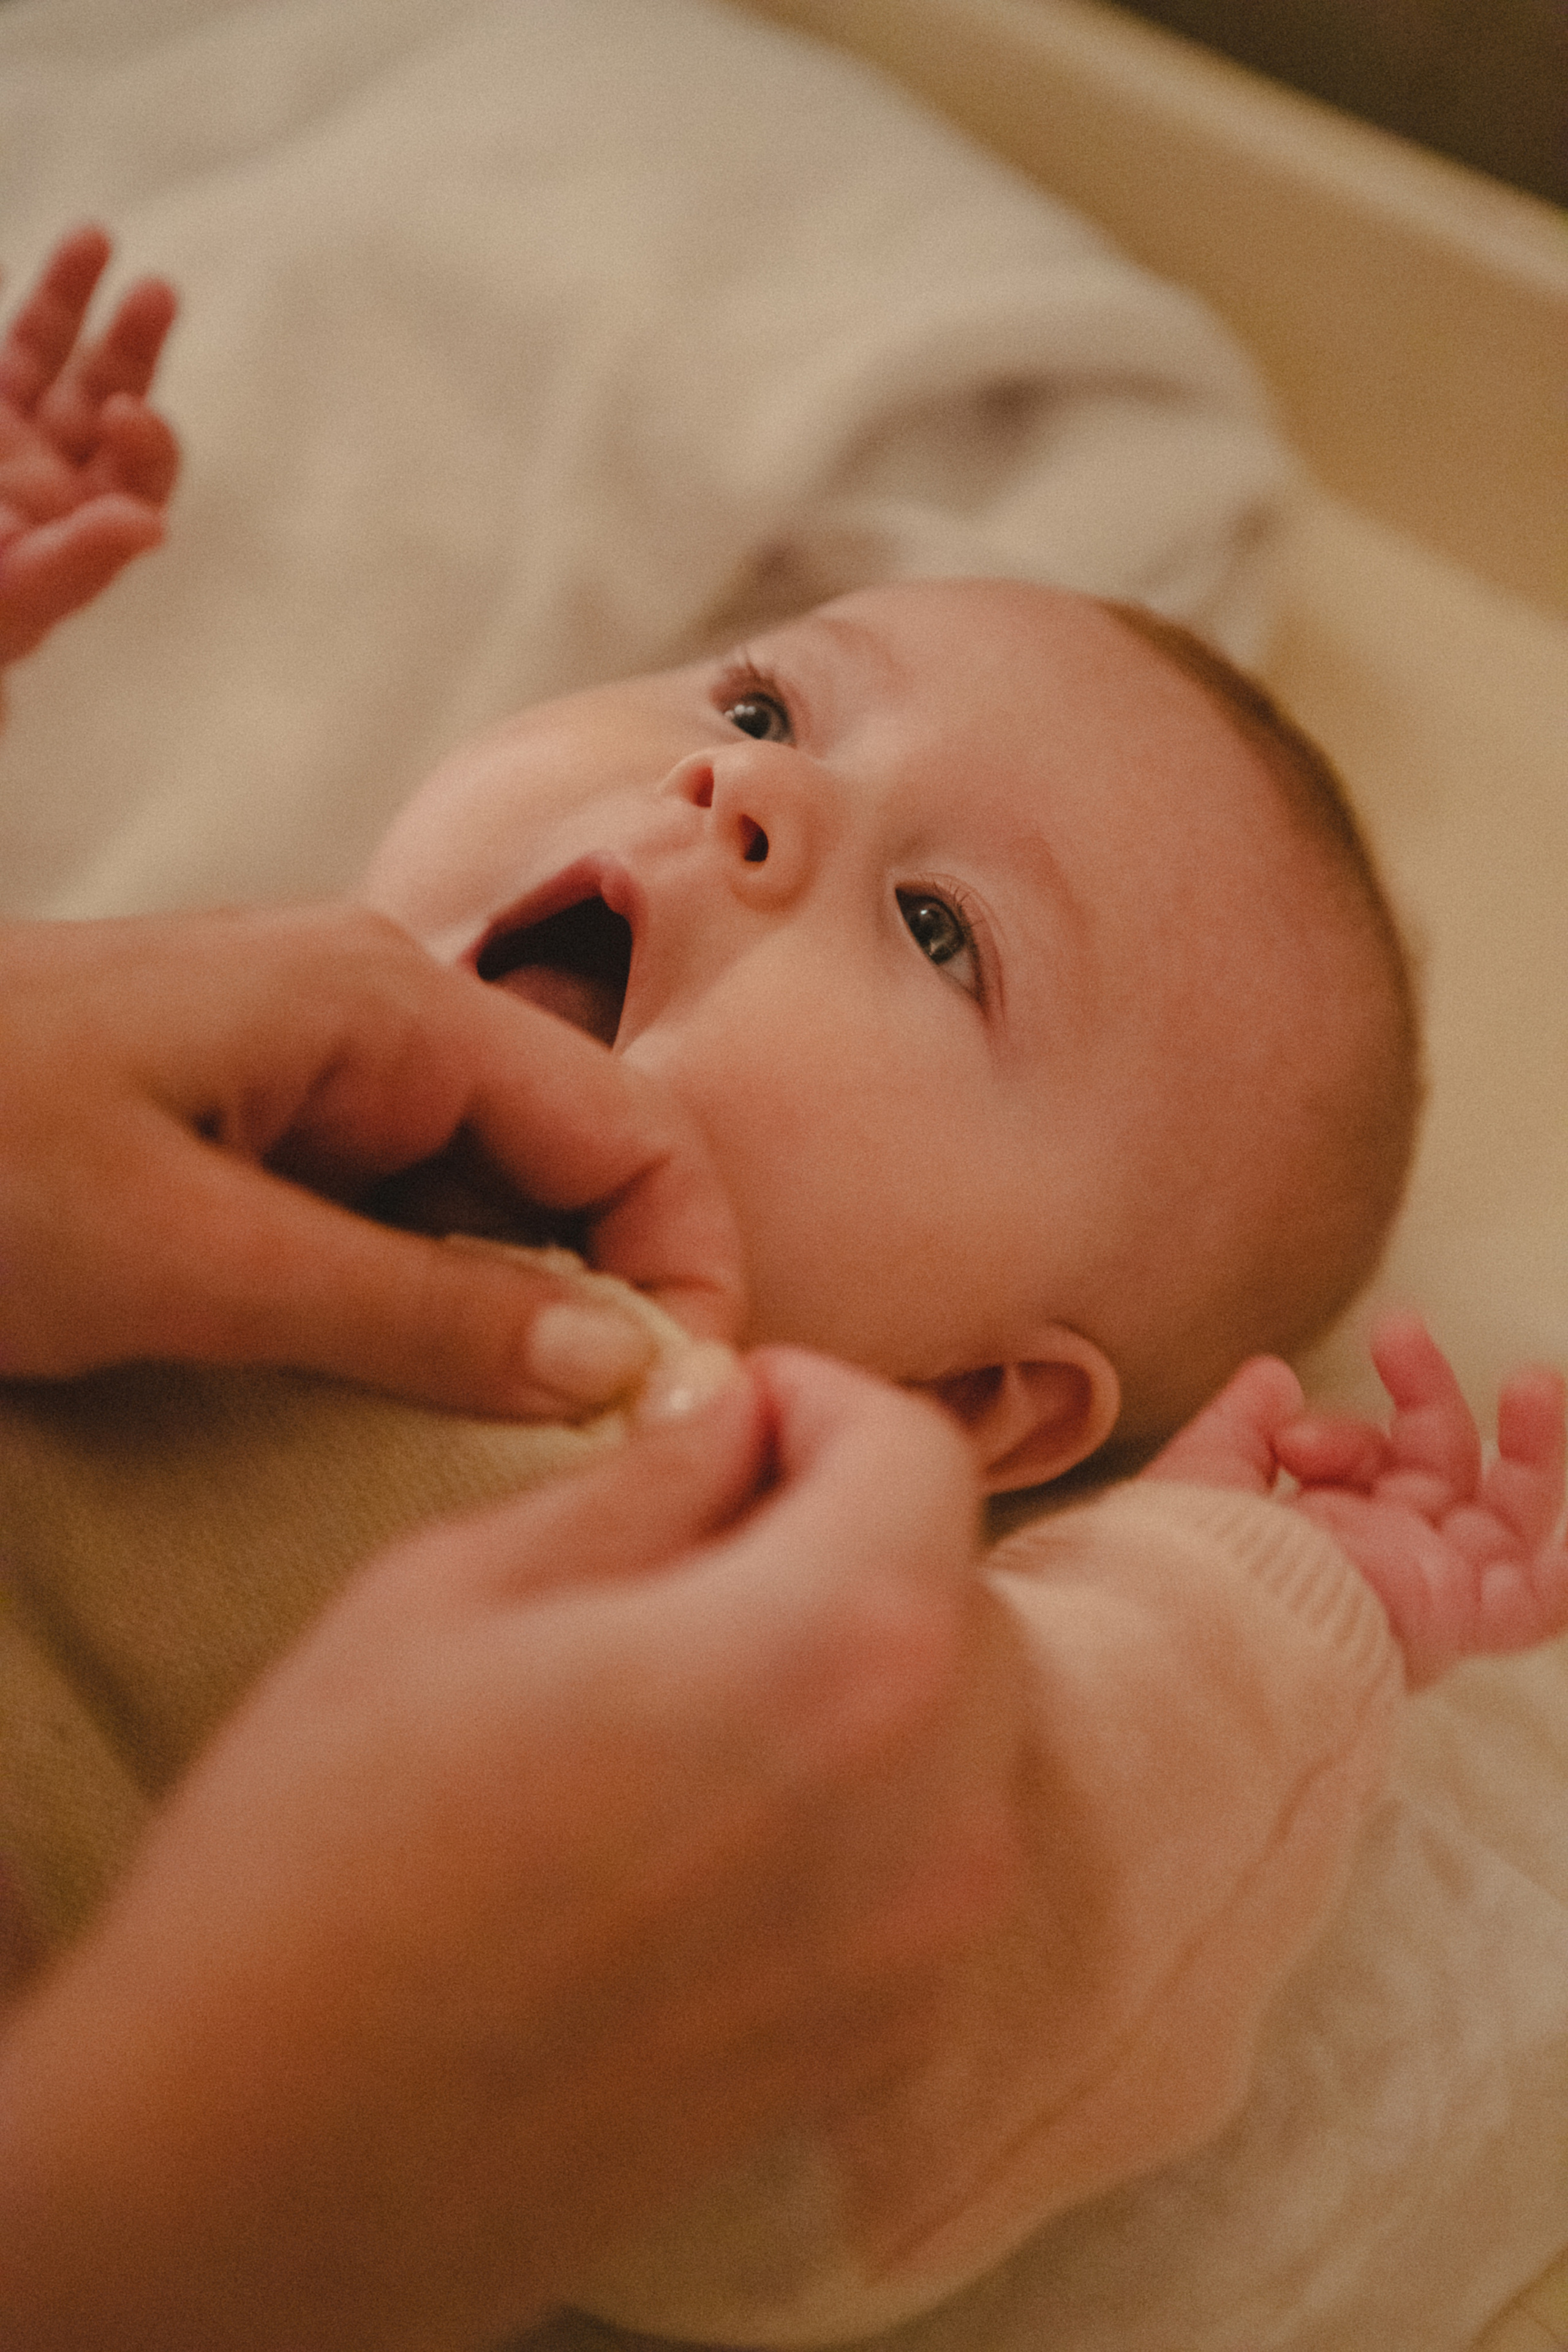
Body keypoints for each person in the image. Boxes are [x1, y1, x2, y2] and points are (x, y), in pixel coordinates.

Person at [0, 228, 1564, 2350]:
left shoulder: (699, 1576)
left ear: (967, 1408)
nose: (751, 786)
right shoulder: (140, 1042)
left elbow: (978, 1931)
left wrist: (1268, 1610)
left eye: (941, 931)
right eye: (760, 699)